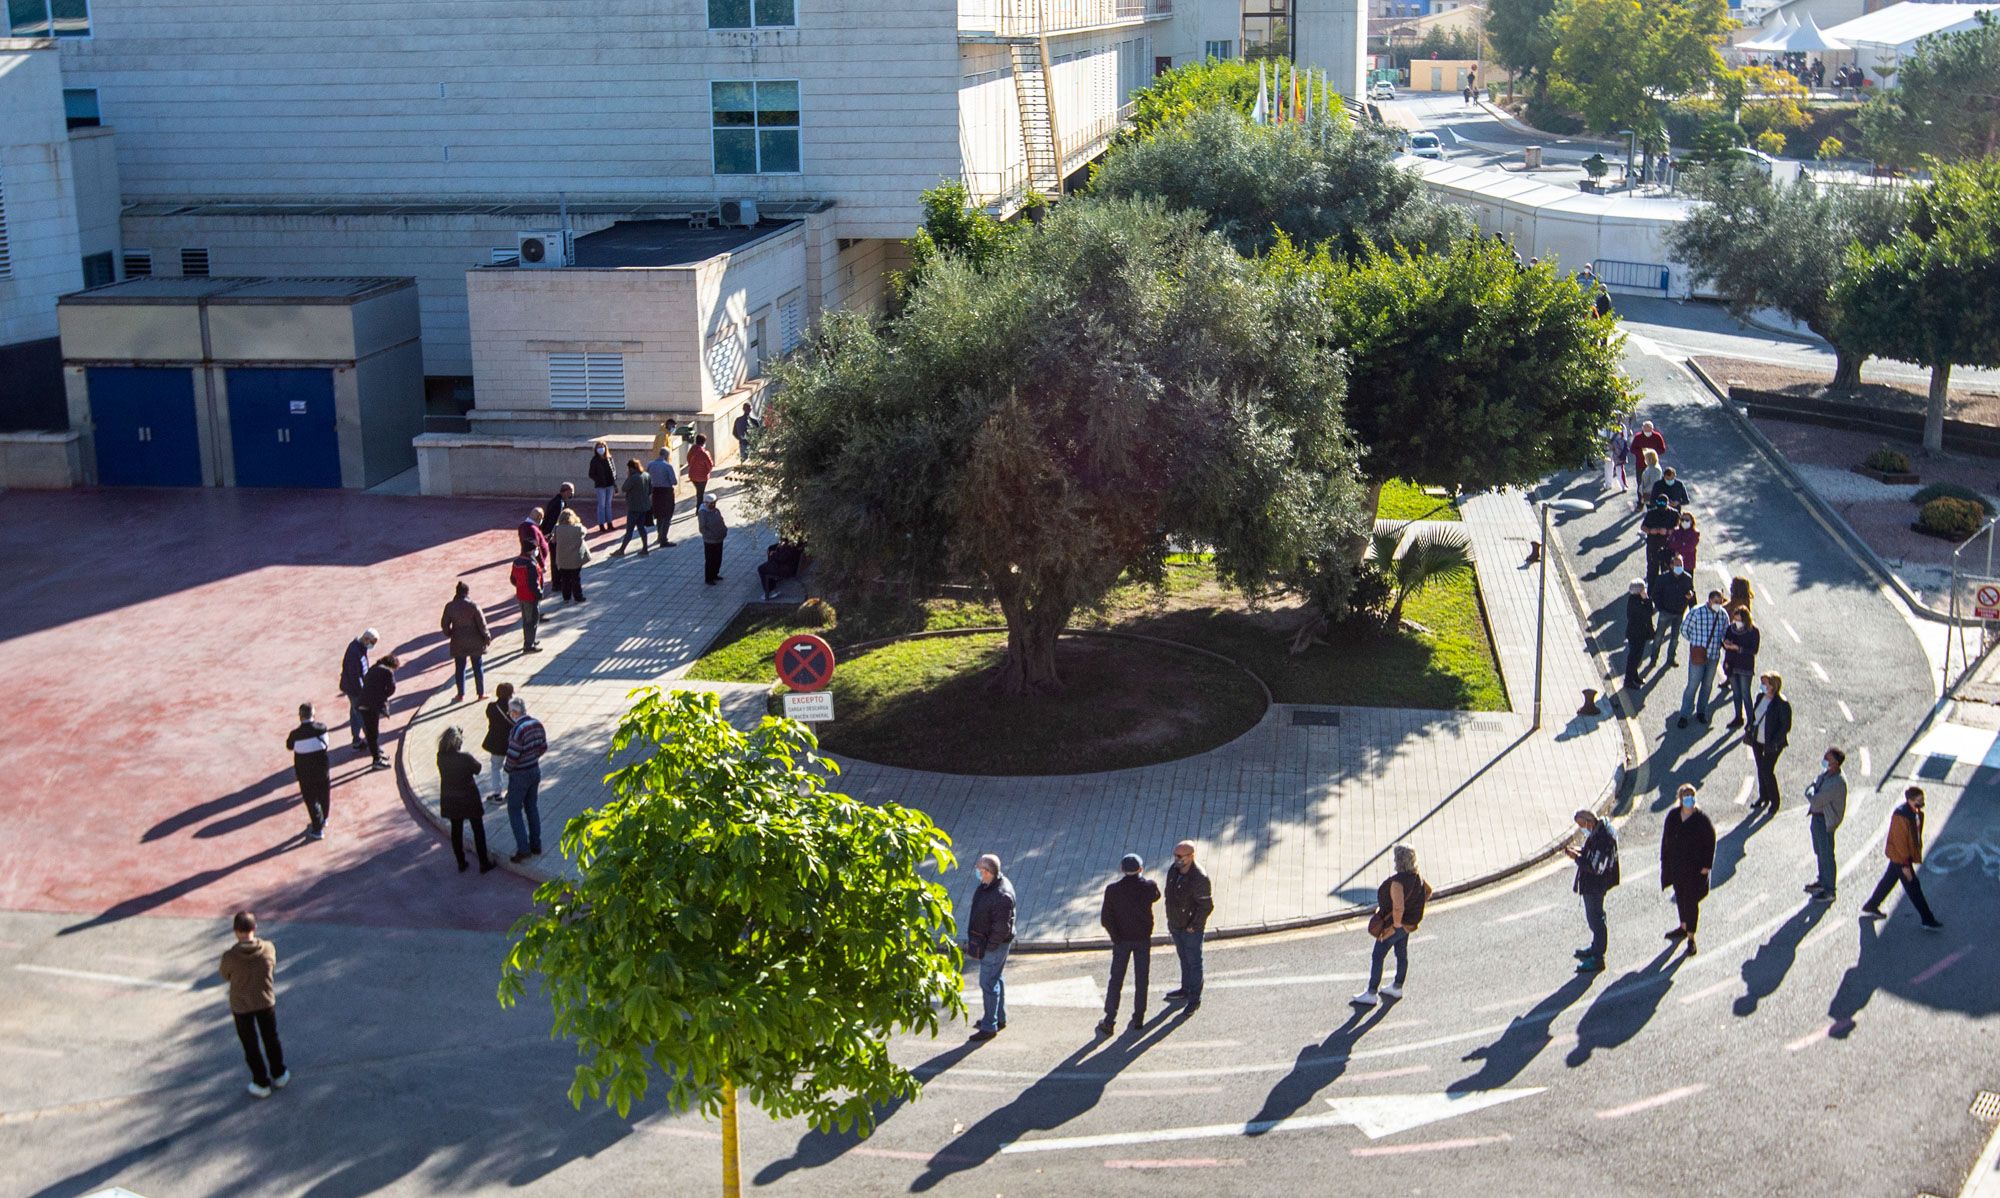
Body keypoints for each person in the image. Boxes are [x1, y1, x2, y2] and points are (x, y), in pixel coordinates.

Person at [219, 911, 288, 1099]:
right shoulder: (268, 948)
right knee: (271, 1038)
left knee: (250, 1044)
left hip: (242, 1005)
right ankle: (279, 1073)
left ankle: (261, 1082)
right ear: (255, 928)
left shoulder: (230, 957)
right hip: (265, 1000)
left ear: (235, 931)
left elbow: (225, 975)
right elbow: (272, 967)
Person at [1352, 844, 1430, 1006]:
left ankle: (1372, 992)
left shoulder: (1397, 883)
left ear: (1398, 861)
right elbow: (1428, 892)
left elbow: (1398, 907)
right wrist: (1414, 907)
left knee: (1377, 955)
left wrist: (1394, 926)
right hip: (1408, 925)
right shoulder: (1418, 877)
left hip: (1397, 925)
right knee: (1401, 954)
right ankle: (1397, 986)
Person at [1861, 787, 1943, 929]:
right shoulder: (1901, 816)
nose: (1922, 803)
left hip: (1902, 857)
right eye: (1919, 801)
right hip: (1901, 859)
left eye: (1922, 800)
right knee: (1914, 888)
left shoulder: (1916, 813)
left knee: (1888, 881)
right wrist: (1905, 865)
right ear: (1910, 801)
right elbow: (1899, 842)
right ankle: (1927, 919)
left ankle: (1872, 905)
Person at [1097, 853, 1160, 1036]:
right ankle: (1139, 1018)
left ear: (1122, 869)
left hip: (1122, 941)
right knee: (1142, 979)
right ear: (1141, 869)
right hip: (1142, 940)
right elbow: (1156, 896)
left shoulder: (1112, 890)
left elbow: (1106, 919)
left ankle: (1109, 1019)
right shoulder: (1148, 887)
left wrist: (1116, 937)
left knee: (1116, 979)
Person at [965, 853, 1017, 1041]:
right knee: (996, 978)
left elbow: (1001, 928)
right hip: (991, 943)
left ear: (989, 872)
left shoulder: (1001, 894)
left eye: (980, 870)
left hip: (994, 945)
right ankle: (998, 1018)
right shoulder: (990, 886)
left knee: (987, 983)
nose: (978, 874)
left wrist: (990, 947)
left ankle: (989, 1026)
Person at [1660, 784, 1715, 955]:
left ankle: (1691, 938)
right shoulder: (1673, 816)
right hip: (1677, 867)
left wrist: (1707, 865)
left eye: (1691, 796)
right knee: (1681, 898)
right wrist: (1665, 861)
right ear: (1680, 799)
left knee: (1691, 902)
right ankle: (1683, 926)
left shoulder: (1701, 820)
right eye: (1686, 796)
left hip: (1694, 870)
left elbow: (1710, 841)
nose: (1689, 800)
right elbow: (1666, 839)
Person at [1565, 809, 1619, 973]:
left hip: (1596, 885)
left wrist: (1576, 858)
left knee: (1595, 918)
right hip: (1593, 884)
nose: (1582, 829)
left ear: (1589, 822)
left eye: (1582, 825)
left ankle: (1598, 958)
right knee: (1594, 917)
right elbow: (1591, 853)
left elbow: (1595, 866)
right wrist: (1580, 851)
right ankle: (1595, 947)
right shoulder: (1598, 831)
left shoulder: (1603, 838)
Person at [1162, 840, 1214, 1012]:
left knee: (1194, 963)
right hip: (1176, 925)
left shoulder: (1199, 878)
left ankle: (1194, 998)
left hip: (1190, 929)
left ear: (1190, 857)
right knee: (1184, 959)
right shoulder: (1173, 870)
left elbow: (1206, 906)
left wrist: (1194, 925)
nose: (1176, 859)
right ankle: (1185, 990)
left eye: (1179, 856)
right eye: (1175, 855)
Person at [437, 726, 496, 874]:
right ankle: (484, 862)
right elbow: (478, 768)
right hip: (469, 797)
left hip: (450, 798)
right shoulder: (465, 757)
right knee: (478, 829)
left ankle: (461, 862)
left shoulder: (441, 757)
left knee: (456, 831)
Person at [504, 695, 547, 862]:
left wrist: (507, 769)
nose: (509, 714)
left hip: (519, 774)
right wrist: (533, 757)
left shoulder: (517, 730)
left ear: (515, 712)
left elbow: (512, 756)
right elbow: (543, 746)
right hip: (534, 770)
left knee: (514, 810)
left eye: (510, 712)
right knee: (531, 807)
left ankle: (523, 849)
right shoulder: (537, 724)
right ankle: (536, 844)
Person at [1678, 590, 1729, 729]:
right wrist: (1695, 643)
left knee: (1707, 685)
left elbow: (1725, 632)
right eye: (1716, 602)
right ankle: (1684, 714)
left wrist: (1725, 642)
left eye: (1720, 602)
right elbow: (1684, 629)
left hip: (1713, 656)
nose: (1718, 605)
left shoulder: (1723, 615)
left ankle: (1701, 711)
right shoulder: (1697, 611)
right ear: (1710, 600)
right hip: (1698, 655)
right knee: (1693, 685)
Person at [1803, 747, 1848, 901]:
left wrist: (1810, 792)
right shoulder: (1827, 774)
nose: (1824, 761)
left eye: (1827, 759)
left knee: (1826, 855)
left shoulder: (1836, 783)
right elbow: (1814, 782)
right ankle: (1823, 881)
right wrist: (1811, 789)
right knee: (1820, 852)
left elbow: (1815, 798)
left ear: (1835, 763)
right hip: (1818, 817)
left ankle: (1829, 890)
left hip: (1825, 820)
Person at [1747, 672, 1793, 813]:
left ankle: (1775, 801)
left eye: (1765, 683)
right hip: (1758, 740)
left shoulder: (1781, 704)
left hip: (1772, 744)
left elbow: (1785, 726)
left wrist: (1774, 742)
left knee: (1767, 770)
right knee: (1761, 769)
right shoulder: (1760, 697)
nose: (1762, 686)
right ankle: (1763, 796)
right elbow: (1755, 715)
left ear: (1773, 686)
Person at [285, 703, 331, 841]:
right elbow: (326, 744)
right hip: (322, 770)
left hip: (304, 773)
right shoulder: (322, 729)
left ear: (300, 716)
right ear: (313, 714)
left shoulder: (295, 734)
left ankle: (317, 829)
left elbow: (289, 746)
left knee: (311, 800)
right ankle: (324, 819)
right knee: (324, 795)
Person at [439, 581, 491, 702]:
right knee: (477, 667)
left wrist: (450, 634)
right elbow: (482, 624)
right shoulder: (473, 606)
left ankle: (460, 694)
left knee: (460, 668)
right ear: (467, 592)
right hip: (475, 640)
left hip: (458, 641)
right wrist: (487, 637)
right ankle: (480, 693)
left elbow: (444, 624)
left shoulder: (450, 606)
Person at [1651, 557, 1696, 668]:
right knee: (1658, 637)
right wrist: (1661, 608)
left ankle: (1671, 659)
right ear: (1671, 566)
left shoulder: (1687, 578)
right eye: (1677, 565)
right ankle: (1653, 659)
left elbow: (1692, 593)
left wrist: (1691, 600)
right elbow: (1655, 594)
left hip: (1679, 613)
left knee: (1675, 638)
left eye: (1681, 565)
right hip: (1665, 612)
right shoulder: (1663, 578)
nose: (1679, 567)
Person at [339, 629, 377, 752]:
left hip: (354, 689)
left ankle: (356, 740)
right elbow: (355, 676)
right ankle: (373, 746)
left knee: (355, 714)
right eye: (372, 642)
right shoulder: (354, 652)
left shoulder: (359, 648)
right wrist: (363, 693)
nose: (372, 645)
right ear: (366, 639)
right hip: (355, 691)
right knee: (363, 716)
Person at [359, 652, 399, 769]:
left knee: (372, 732)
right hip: (371, 706)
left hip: (363, 703)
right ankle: (376, 760)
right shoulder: (387, 672)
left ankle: (378, 755)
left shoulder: (373, 668)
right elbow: (392, 688)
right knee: (373, 733)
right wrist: (383, 695)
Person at [1722, 609, 1761, 728]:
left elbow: (1754, 650)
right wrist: (1726, 644)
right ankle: (1738, 717)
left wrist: (1738, 648)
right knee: (1736, 693)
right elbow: (1726, 643)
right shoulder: (1731, 629)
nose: (1737, 622)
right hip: (1732, 664)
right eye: (1736, 619)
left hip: (1745, 666)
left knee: (1745, 693)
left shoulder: (1753, 631)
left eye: (1740, 620)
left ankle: (1751, 720)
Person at [481, 682, 516, 803]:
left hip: (496, 743)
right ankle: (512, 793)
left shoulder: (491, 707)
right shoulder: (514, 708)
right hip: (512, 743)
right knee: (513, 768)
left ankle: (497, 794)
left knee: (496, 767)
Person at [613, 457, 654, 556]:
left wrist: (629, 477)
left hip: (634, 507)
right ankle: (645, 548)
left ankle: (622, 550)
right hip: (645, 507)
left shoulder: (633, 477)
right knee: (641, 528)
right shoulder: (646, 475)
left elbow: (624, 488)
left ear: (631, 468)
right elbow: (650, 490)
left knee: (629, 530)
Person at [552, 509, 590, 604]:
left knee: (565, 579)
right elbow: (585, 531)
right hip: (575, 559)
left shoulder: (557, 528)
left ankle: (566, 598)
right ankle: (578, 597)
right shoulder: (577, 528)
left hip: (562, 559)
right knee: (576, 578)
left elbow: (553, 540)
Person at [510, 547, 544, 654]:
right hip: (530, 597)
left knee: (526, 620)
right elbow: (533, 583)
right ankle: (529, 645)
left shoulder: (516, 562)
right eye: (535, 548)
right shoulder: (531, 564)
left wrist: (520, 586)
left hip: (521, 595)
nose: (536, 551)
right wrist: (539, 594)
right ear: (530, 550)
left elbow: (513, 579)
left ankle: (529, 640)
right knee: (532, 620)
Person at [1623, 580, 1655, 689]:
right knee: (1634, 658)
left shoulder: (1634, 600)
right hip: (1636, 634)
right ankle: (1628, 681)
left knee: (1637, 657)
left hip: (1638, 634)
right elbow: (1649, 612)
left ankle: (1634, 676)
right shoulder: (1637, 602)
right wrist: (1646, 600)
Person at [646, 446, 679, 548]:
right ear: (667, 455)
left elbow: (647, 478)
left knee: (659, 515)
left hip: (655, 492)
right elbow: (674, 481)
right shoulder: (667, 466)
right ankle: (663, 539)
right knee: (667, 516)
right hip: (666, 492)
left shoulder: (650, 464)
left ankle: (659, 536)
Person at [1641, 493, 1677, 581]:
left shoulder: (1674, 514)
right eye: (1659, 503)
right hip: (1653, 545)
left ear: (1668, 503)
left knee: (1667, 571)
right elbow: (1643, 527)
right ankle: (1652, 591)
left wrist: (1668, 531)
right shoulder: (1651, 513)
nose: (1661, 505)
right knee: (1652, 570)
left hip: (1667, 546)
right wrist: (1650, 531)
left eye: (1663, 504)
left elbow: (1678, 528)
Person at [699, 494, 728, 585]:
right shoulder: (703, 513)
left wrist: (724, 529)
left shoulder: (716, 511)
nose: (713, 505)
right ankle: (709, 578)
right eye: (711, 503)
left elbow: (721, 520)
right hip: (710, 541)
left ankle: (715, 574)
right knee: (710, 560)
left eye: (714, 503)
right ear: (706, 503)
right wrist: (712, 535)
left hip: (719, 539)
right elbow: (702, 528)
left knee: (718, 558)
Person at [587, 441, 617, 531]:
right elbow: (591, 474)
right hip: (600, 485)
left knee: (608, 504)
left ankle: (609, 523)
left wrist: (614, 484)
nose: (601, 449)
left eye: (602, 447)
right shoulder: (594, 460)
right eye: (599, 447)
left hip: (610, 485)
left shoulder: (609, 458)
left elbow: (614, 471)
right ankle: (601, 524)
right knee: (601, 505)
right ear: (596, 449)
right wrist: (598, 479)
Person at [1629, 421, 1666, 493]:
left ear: (1652, 429)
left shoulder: (1657, 436)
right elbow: (1632, 449)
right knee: (1640, 483)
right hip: (1640, 465)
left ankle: (1652, 499)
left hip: (1653, 464)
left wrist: (1652, 452)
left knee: (1654, 483)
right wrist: (1642, 453)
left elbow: (1662, 449)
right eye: (1645, 429)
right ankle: (1641, 500)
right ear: (1642, 429)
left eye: (1649, 430)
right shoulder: (1638, 437)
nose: (1647, 432)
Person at [1667, 509, 1700, 574]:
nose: (1684, 522)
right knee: (1675, 581)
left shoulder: (1695, 533)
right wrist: (1682, 544)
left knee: (1686, 582)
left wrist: (1677, 549)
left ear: (1691, 521)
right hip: (1675, 563)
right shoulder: (1676, 531)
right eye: (1682, 520)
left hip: (1688, 564)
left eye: (1687, 520)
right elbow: (1670, 544)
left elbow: (1690, 547)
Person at [686, 433, 714, 508]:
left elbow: (688, 459)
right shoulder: (704, 453)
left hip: (692, 475)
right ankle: (699, 508)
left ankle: (699, 506)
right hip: (702, 477)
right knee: (700, 493)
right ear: (704, 442)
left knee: (699, 492)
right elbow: (710, 465)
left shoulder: (692, 450)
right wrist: (708, 471)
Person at [1604, 423, 1630, 492]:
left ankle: (1623, 486)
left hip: (1618, 449)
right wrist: (1607, 444)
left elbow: (1625, 438)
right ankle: (1608, 485)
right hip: (1608, 448)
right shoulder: (1606, 425)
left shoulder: (1622, 426)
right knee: (1608, 466)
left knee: (1619, 467)